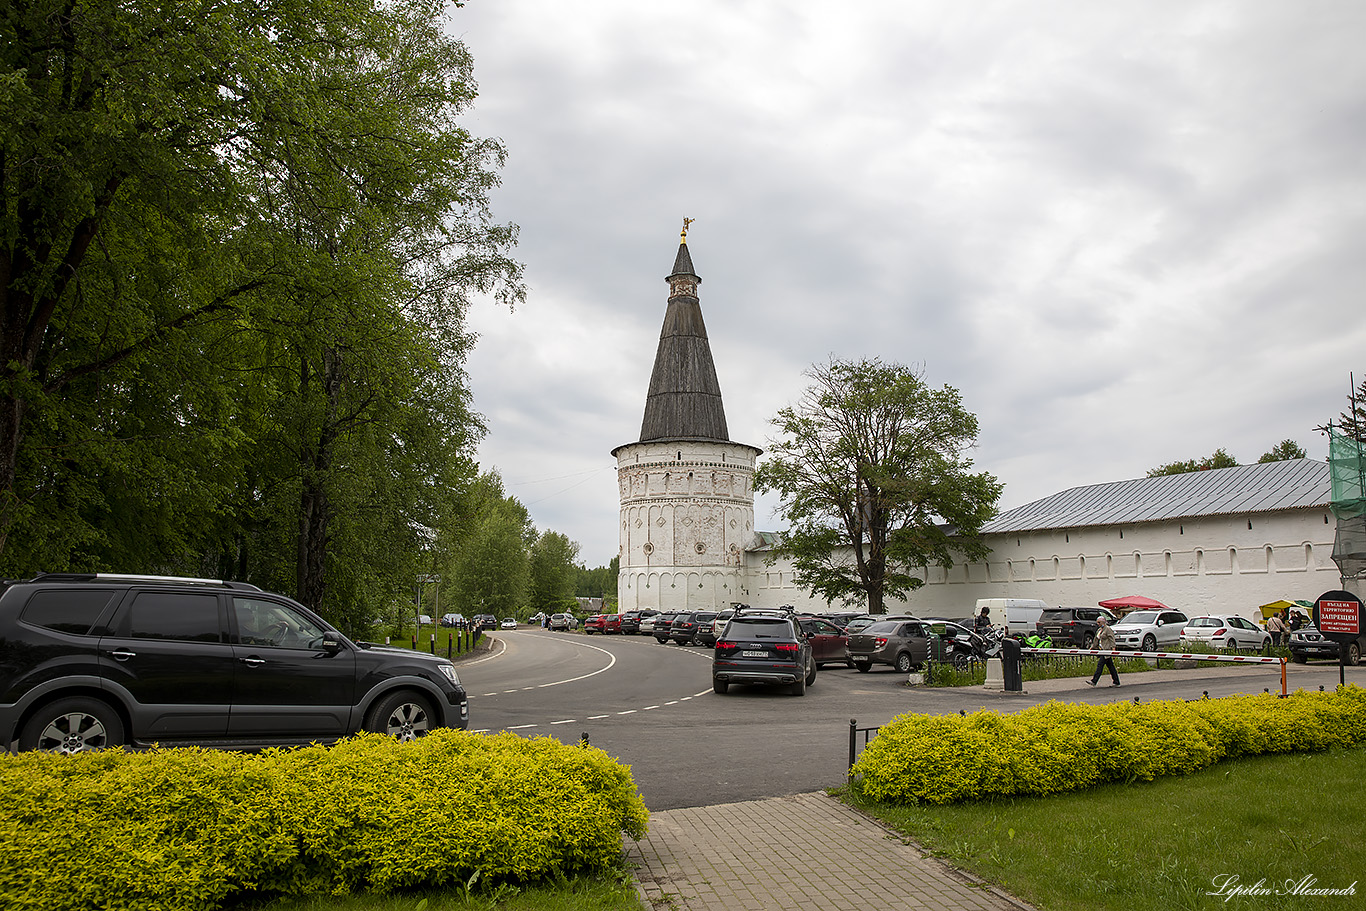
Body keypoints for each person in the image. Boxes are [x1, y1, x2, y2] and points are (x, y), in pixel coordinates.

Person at [1088, 614, 1121, 687]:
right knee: (1111, 667)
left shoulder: (1108, 629)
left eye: (1099, 622)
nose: (1098, 624)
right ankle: (1116, 681)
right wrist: (1092, 648)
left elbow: (1111, 639)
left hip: (1106, 651)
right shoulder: (1099, 630)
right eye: (1097, 622)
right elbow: (1096, 640)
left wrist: (1113, 649)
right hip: (1101, 650)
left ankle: (1094, 681)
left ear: (1103, 622)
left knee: (1100, 665)